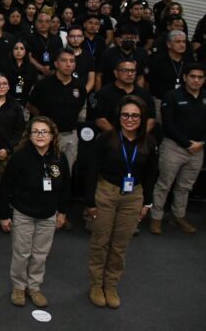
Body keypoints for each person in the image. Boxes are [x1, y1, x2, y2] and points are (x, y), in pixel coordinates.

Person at [86, 95, 156, 309]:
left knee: (120, 244)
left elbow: (151, 175)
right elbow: (91, 170)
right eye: (125, 114)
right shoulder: (107, 139)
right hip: (106, 192)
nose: (130, 119)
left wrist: (148, 203)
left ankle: (111, 285)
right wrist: (90, 202)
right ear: (119, 116)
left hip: (133, 196)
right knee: (101, 241)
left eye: (135, 115)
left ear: (142, 118)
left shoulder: (149, 142)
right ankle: (96, 285)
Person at [0, 116, 70, 308]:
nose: (40, 135)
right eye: (35, 131)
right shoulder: (20, 157)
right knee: (21, 253)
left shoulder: (59, 158)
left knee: (40, 254)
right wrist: (4, 215)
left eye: (44, 132)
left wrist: (62, 212)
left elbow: (65, 188)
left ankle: (34, 287)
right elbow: (5, 187)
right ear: (29, 135)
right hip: (23, 214)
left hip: (48, 215)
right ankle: (19, 287)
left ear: (52, 135)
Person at [149, 63, 206, 234]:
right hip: (174, 147)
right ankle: (155, 218)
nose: (196, 80)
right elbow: (168, 124)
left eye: (200, 77)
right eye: (193, 76)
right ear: (185, 77)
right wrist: (187, 143)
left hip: (198, 149)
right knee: (164, 184)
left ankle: (178, 216)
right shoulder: (172, 96)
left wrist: (201, 143)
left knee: (185, 186)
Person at [28, 49, 86, 174]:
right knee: (45, 172)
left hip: (70, 135)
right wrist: (44, 120)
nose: (68, 64)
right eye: (64, 60)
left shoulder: (79, 86)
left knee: (66, 173)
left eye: (72, 61)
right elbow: (31, 105)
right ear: (56, 64)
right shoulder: (43, 84)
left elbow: (81, 107)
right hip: (48, 136)